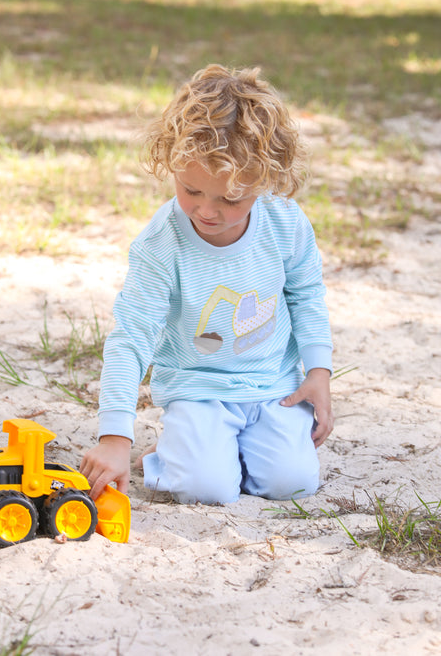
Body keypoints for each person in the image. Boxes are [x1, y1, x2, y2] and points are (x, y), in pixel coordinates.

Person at [81, 64, 333, 505]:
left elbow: (306, 294)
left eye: (230, 198)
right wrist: (115, 437)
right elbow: (131, 337)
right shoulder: (163, 242)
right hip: (198, 388)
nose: (206, 210)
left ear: (266, 181)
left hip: (272, 385)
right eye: (190, 189)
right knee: (206, 488)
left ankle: (206, 449)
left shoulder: (285, 223)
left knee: (292, 484)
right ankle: (175, 452)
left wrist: (317, 372)